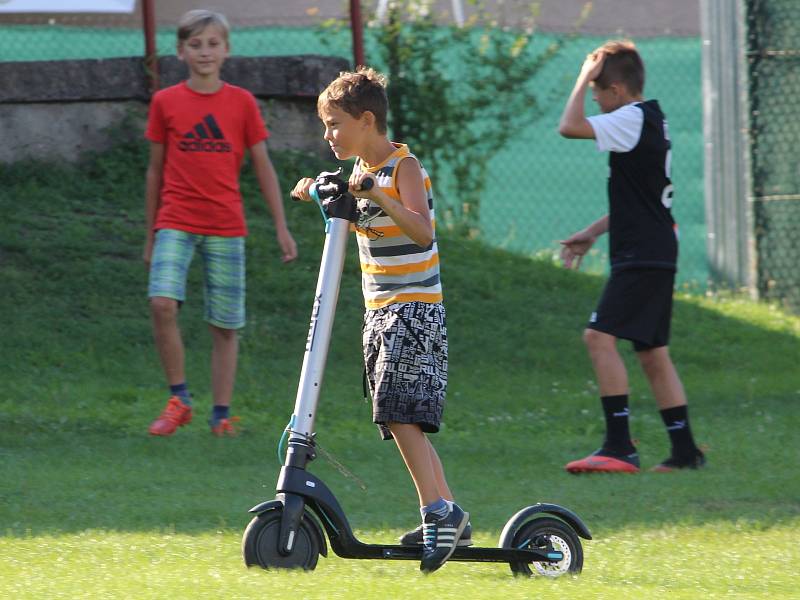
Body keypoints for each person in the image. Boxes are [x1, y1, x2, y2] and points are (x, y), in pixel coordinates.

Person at [291, 67, 468, 573]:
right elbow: (349, 219)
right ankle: (449, 512)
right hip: (380, 312)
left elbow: (421, 233)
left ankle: (439, 511)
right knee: (401, 417)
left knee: (397, 412)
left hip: (414, 309)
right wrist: (316, 194)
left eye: (334, 124)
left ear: (367, 120)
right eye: (325, 126)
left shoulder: (401, 167)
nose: (328, 135)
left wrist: (379, 194)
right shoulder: (358, 175)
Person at [143, 10, 297, 437]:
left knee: (225, 325)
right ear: (181, 51)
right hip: (175, 219)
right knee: (161, 303)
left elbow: (263, 167)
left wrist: (281, 227)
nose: (205, 52)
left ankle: (221, 415)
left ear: (226, 49)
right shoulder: (165, 102)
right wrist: (149, 236)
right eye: (195, 44)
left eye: (213, 44)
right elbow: (154, 171)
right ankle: (179, 399)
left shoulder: (242, 103)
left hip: (227, 224)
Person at [557, 40, 704, 474]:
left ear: (616, 89)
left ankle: (619, 446)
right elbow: (643, 197)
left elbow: (569, 126)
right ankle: (685, 452)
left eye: (599, 93)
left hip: (643, 252)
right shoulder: (650, 118)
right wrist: (593, 231)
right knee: (652, 351)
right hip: (654, 247)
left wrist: (584, 74)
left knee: (598, 337)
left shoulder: (629, 117)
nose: (596, 102)